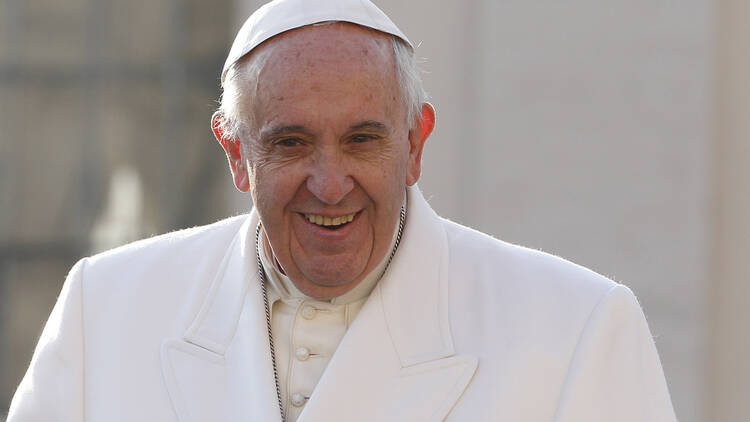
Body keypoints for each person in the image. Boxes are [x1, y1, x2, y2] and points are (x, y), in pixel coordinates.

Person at [8, 0, 677, 420]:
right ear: (236, 153)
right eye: (291, 143)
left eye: (363, 140)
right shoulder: (107, 309)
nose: (330, 185)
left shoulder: (576, 330)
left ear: (415, 144)